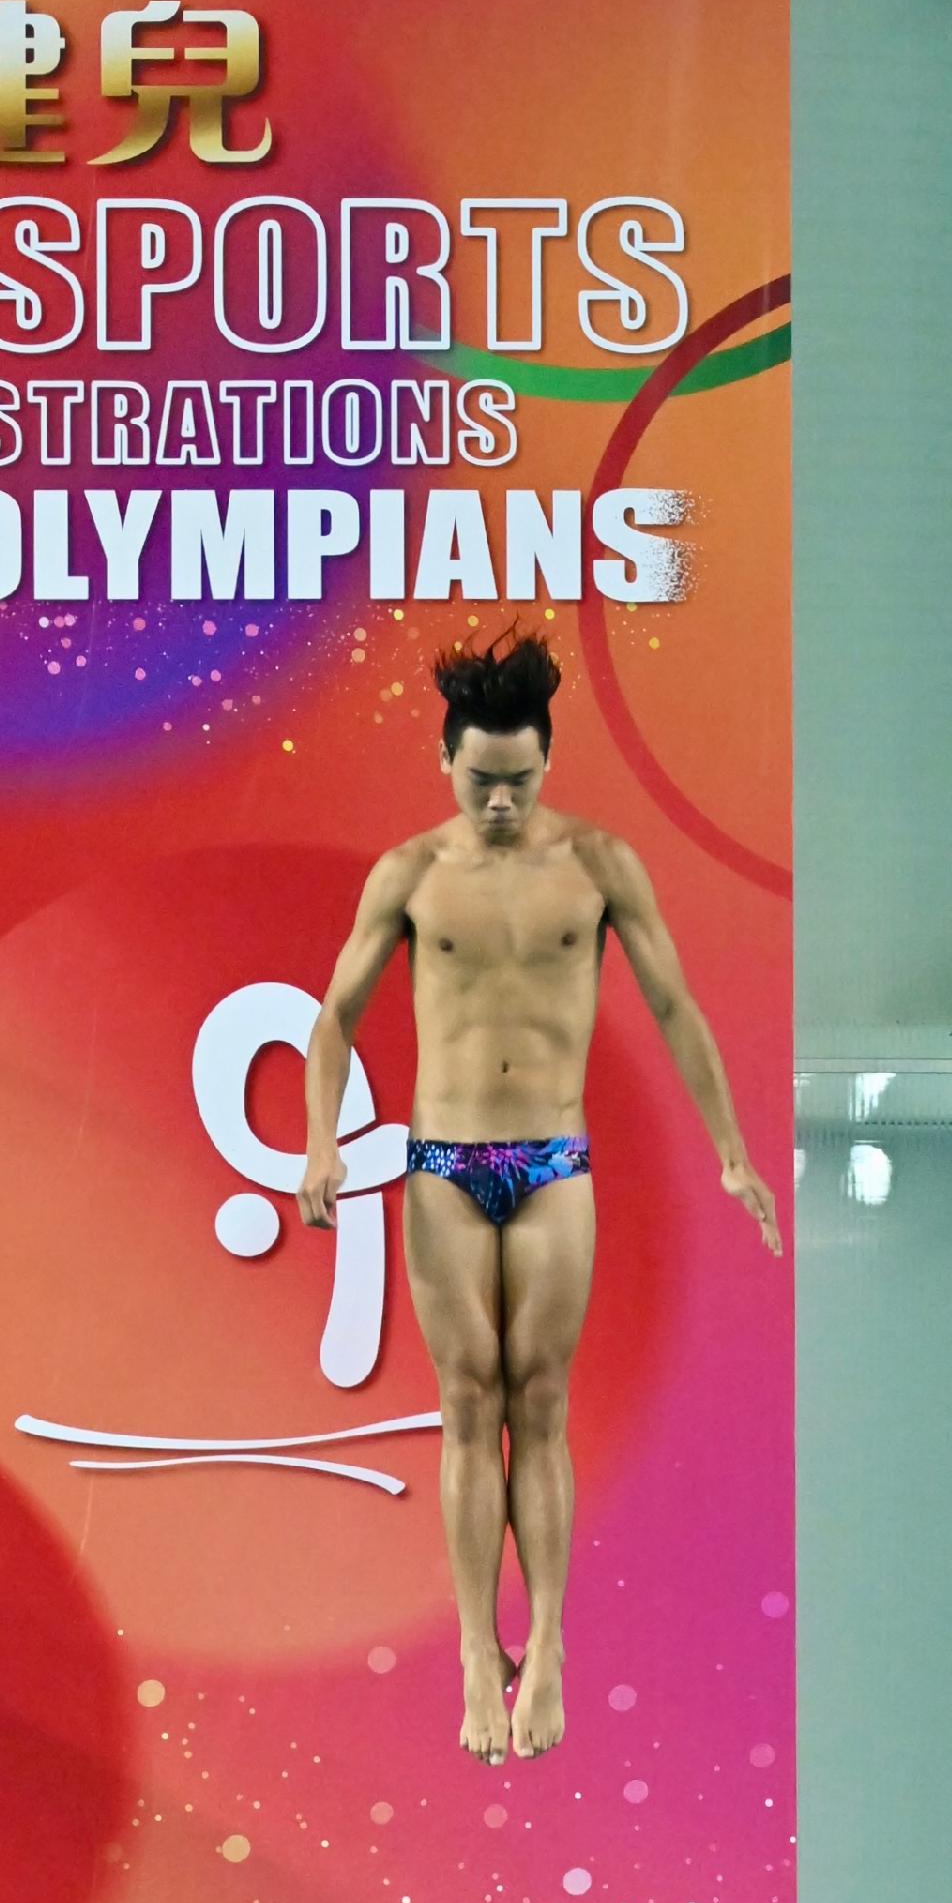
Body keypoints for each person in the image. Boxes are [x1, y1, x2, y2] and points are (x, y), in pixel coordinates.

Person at [300, 630, 780, 1762]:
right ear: (444, 764)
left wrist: (729, 1152)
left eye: (519, 780)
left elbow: (674, 1009)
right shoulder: (410, 874)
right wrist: (318, 1141)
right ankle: (478, 1650)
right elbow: (332, 1016)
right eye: (481, 782)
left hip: (553, 1164)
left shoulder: (601, 865)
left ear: (545, 763)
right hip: (446, 1167)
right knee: (469, 1404)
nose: (502, 801)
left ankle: (548, 1644)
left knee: (541, 1401)